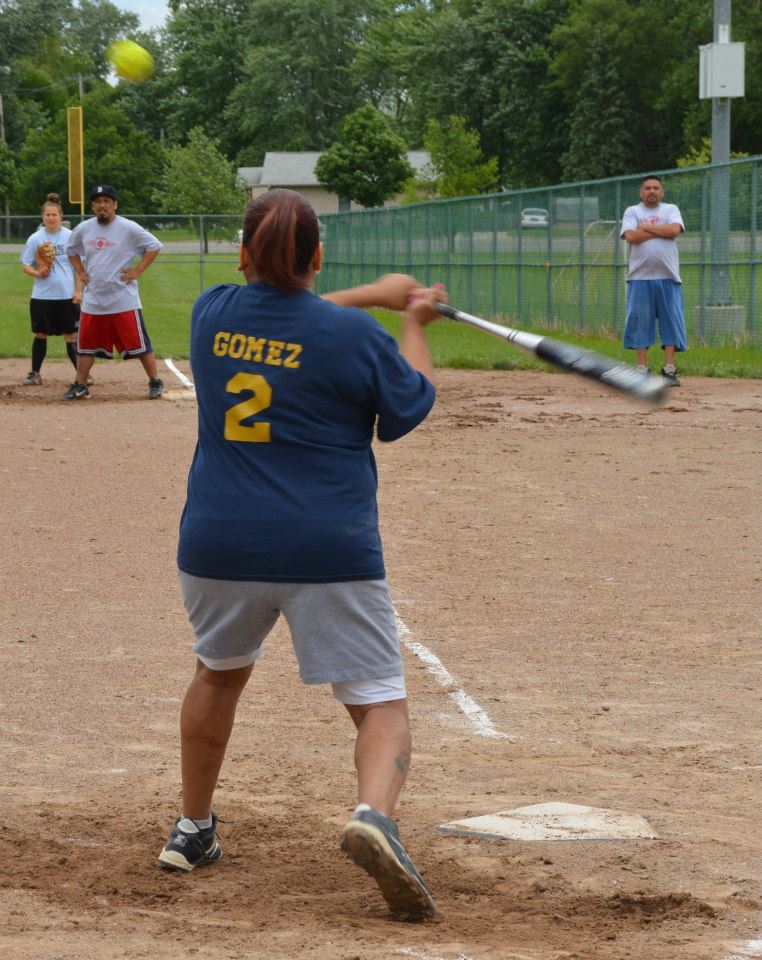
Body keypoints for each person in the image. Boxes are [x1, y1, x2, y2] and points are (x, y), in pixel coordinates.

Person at [157, 188, 443, 921]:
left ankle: (193, 829)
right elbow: (408, 406)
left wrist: (362, 300)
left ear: (243, 255)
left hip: (218, 543)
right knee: (381, 704)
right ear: (316, 257)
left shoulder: (210, 314)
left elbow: (286, 317)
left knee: (217, 677)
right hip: (327, 548)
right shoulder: (353, 338)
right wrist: (408, 320)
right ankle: (373, 817)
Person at [63, 184, 164, 400]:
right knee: (85, 346)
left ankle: (155, 381)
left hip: (123, 299)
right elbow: (70, 249)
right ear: (93, 206)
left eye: (106, 202)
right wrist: (80, 270)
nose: (102, 206)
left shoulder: (128, 228)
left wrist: (138, 270)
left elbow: (154, 245)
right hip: (94, 300)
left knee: (140, 344)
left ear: (114, 205)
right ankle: (80, 385)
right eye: (98, 202)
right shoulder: (84, 228)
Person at [621, 175, 687, 385]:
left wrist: (645, 229)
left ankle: (669, 370)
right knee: (639, 322)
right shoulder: (633, 211)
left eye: (656, 188)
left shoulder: (670, 209)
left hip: (668, 277)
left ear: (662, 192)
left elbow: (674, 230)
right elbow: (630, 237)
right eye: (647, 188)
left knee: (672, 323)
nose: (652, 191)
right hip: (639, 278)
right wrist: (662, 231)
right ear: (641, 192)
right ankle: (642, 370)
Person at [19, 193, 82, 385]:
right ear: (42, 216)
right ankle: (35, 374)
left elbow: (79, 268)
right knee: (40, 334)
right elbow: (25, 265)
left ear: (61, 216)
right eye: (48, 215)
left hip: (66, 296)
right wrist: (37, 273)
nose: (51, 218)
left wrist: (78, 291)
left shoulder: (70, 237)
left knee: (71, 336)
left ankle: (82, 374)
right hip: (42, 296)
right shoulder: (35, 238)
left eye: (54, 214)